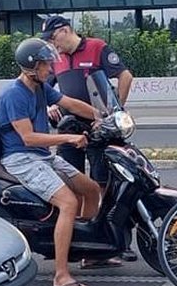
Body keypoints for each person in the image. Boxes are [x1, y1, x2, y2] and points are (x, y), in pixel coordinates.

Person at [0, 37, 102, 286]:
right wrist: (67, 137)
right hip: (21, 158)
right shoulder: (13, 95)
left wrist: (102, 115)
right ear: (31, 68)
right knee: (68, 203)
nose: (51, 69)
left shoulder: (41, 88)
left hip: (42, 156)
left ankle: (86, 251)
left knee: (90, 189)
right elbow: (28, 138)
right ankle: (61, 274)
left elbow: (69, 103)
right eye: (46, 65)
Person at [40, 15, 138, 266]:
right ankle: (86, 244)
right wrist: (50, 105)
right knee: (73, 184)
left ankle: (108, 242)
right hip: (70, 129)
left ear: (64, 30)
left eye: (53, 38)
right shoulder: (56, 59)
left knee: (102, 184)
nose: (53, 44)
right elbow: (43, 88)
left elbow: (125, 76)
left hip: (99, 128)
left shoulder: (97, 47)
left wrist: (115, 112)